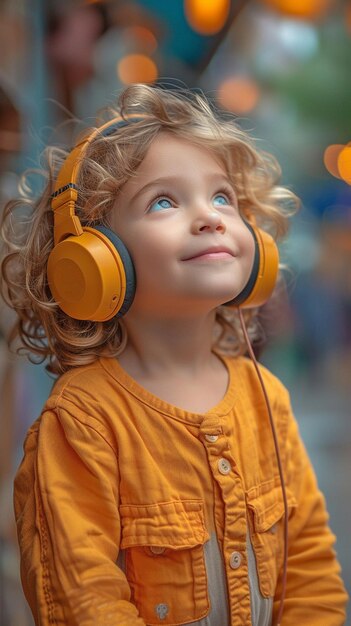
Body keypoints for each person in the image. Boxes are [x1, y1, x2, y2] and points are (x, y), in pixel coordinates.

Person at [0, 83, 348, 626]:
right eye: (164, 200)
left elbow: (309, 568)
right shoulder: (82, 422)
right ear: (96, 259)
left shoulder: (266, 396)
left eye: (222, 197)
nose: (209, 217)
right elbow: (85, 603)